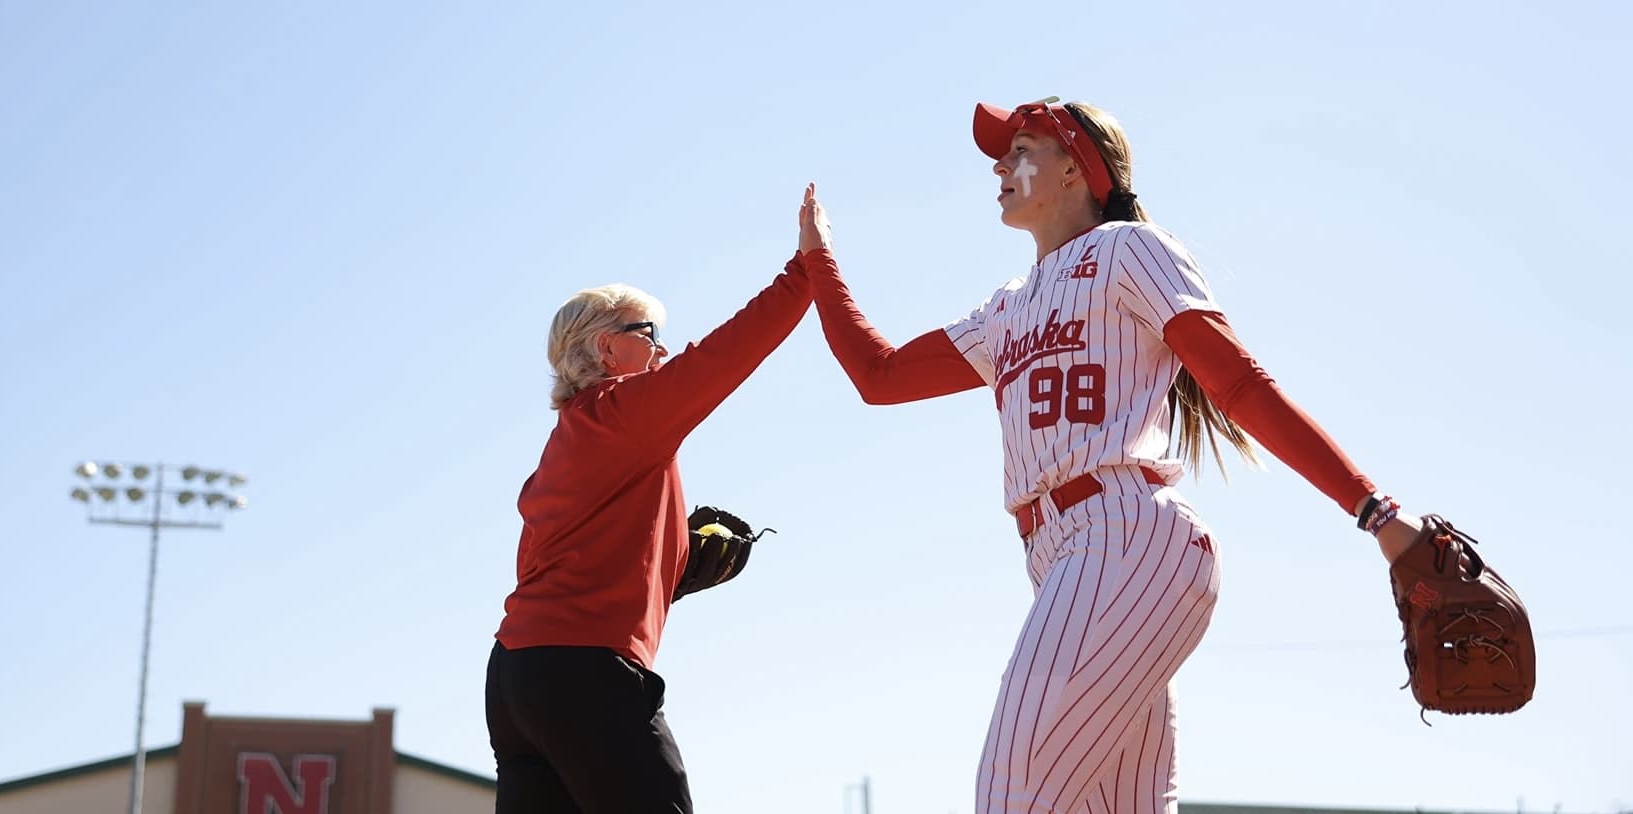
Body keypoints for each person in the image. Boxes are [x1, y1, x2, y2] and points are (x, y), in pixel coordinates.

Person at [796, 101, 1424, 813]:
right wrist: (818, 263)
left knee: (1013, 795)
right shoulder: (1003, 308)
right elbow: (878, 377)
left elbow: (1238, 383)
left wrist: (1374, 510)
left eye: (1021, 148)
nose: (1000, 166)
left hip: (1124, 537)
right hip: (1066, 556)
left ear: (1075, 167)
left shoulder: (1130, 249)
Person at [486, 206, 817, 813]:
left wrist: (670, 571)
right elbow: (722, 357)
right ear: (607, 348)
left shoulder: (569, 438)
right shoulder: (624, 413)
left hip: (516, 680)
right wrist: (805, 272)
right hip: (584, 672)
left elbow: (561, 566)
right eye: (649, 333)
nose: (663, 348)